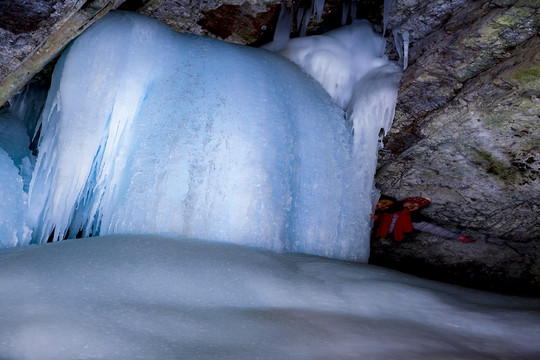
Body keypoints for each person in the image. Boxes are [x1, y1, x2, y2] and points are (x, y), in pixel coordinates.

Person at [374, 196, 474, 243]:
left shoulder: (410, 220)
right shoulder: (389, 206)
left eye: (417, 206)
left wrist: (456, 236)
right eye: (412, 203)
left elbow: (431, 228)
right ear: (405, 201)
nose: (413, 206)